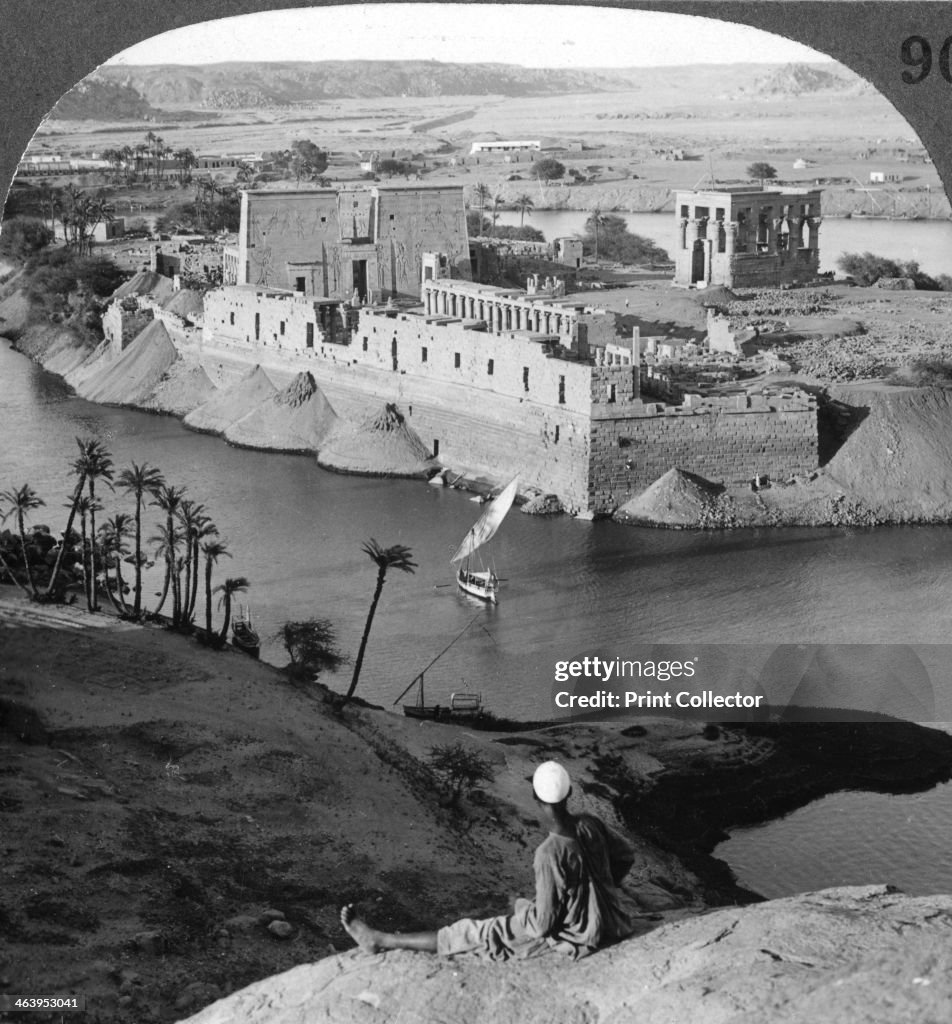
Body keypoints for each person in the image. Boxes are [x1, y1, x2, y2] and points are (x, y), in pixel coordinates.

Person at [340, 760, 636, 961]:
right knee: (517, 905)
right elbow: (625, 856)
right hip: (613, 922)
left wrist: (527, 909)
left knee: (474, 932)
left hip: (582, 936)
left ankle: (381, 941)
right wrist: (602, 893)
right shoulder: (590, 824)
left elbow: (543, 925)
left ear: (535, 797)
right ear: (569, 792)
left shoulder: (549, 853)